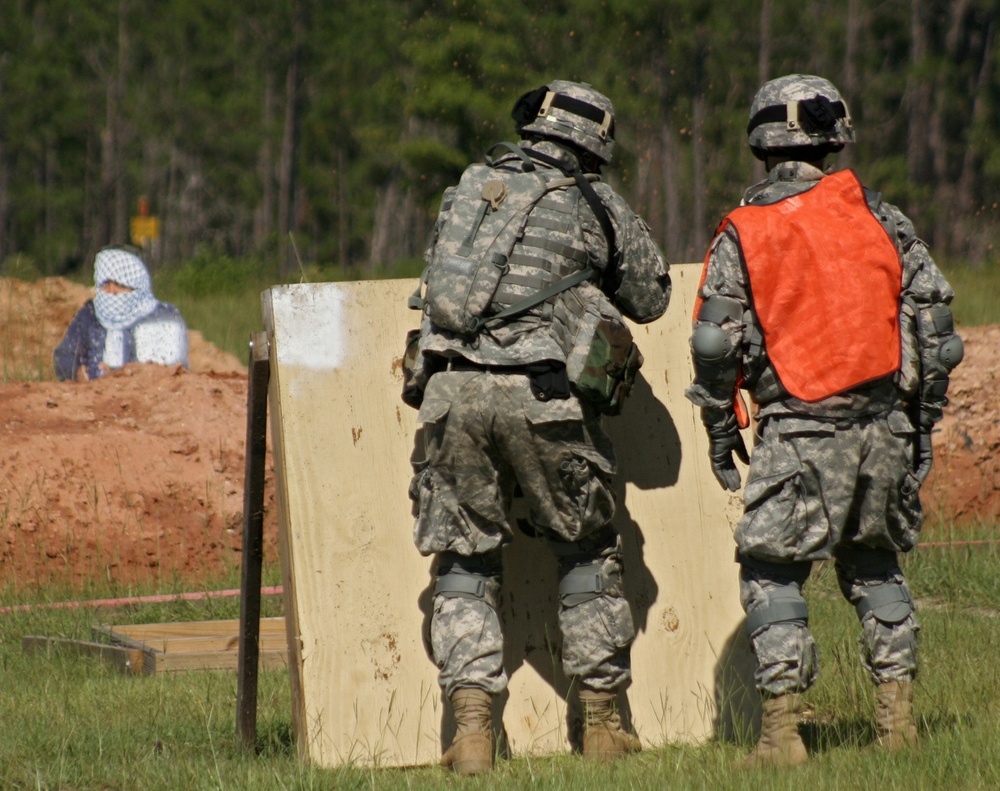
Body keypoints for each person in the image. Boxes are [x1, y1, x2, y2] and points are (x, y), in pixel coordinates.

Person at [686, 74, 963, 767]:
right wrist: (920, 424)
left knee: (773, 568)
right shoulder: (880, 216)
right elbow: (937, 329)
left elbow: (715, 344)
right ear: (835, 135)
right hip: (881, 429)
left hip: (798, 431)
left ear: (760, 140)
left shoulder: (744, 230)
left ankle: (782, 736)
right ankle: (897, 726)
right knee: (875, 564)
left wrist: (722, 425)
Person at [404, 80, 671, 774]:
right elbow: (652, 296)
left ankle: (470, 734)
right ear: (596, 142)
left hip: (451, 391)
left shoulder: (470, 187)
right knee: (585, 549)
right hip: (546, 397)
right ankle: (604, 726)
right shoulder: (592, 200)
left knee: (463, 562)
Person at [54, 246, 189, 382]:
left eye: (120, 284)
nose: (112, 292)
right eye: (106, 284)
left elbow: (168, 372)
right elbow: (65, 355)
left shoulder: (162, 318)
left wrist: (116, 376)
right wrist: (77, 373)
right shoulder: (90, 313)